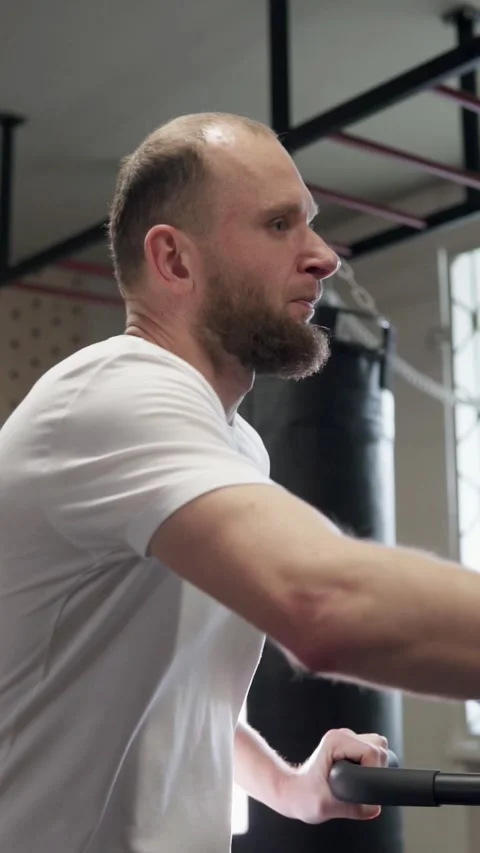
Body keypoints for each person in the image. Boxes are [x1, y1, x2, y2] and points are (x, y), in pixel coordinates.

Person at [0, 110, 471, 853]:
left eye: (310, 224)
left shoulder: (238, 443)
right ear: (175, 261)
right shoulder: (115, 395)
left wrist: (290, 784)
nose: (322, 256)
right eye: (280, 225)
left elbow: (181, 692)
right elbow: (327, 602)